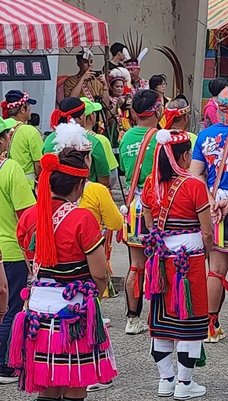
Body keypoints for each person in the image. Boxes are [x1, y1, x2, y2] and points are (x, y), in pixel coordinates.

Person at [11, 149, 117, 398]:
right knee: (73, 382)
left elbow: (32, 264)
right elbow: (100, 274)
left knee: (47, 386)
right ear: (80, 184)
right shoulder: (83, 219)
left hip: (37, 310)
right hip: (74, 312)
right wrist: (95, 301)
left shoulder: (29, 216)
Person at [141, 129, 214, 400]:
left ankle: (166, 379)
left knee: (161, 320)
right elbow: (207, 232)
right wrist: (207, 251)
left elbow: (149, 223)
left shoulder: (151, 183)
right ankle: (184, 383)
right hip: (189, 259)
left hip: (160, 259)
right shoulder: (194, 185)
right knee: (190, 321)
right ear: (184, 156)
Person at [190, 87, 228, 345]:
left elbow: (196, 175)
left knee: (215, 270)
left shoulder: (204, 135)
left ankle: (209, 325)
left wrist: (212, 200)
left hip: (212, 204)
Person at [119, 89, 164, 335]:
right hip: (155, 206)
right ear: (156, 110)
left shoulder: (125, 138)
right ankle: (156, 317)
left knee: (136, 265)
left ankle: (132, 318)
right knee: (159, 262)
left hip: (132, 205)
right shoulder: (161, 138)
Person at [0, 117, 36, 384]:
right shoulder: (10, 169)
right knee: (10, 307)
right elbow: (27, 216)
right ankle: (4, 364)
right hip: (10, 250)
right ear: (4, 140)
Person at [43, 97, 111, 187]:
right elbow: (104, 180)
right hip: (86, 196)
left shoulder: (49, 140)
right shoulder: (93, 142)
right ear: (81, 116)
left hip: (54, 195)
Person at [1, 90, 42, 188]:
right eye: (28, 106)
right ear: (22, 109)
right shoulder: (30, 131)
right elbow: (39, 165)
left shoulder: (2, 127)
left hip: (3, 183)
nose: (30, 110)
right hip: (25, 186)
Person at [81, 97, 120, 189]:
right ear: (91, 116)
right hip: (94, 191)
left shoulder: (63, 138)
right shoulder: (100, 140)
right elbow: (112, 175)